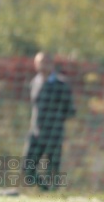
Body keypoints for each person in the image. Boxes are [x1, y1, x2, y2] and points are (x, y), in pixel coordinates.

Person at [23, 52, 75, 191]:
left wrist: (55, 119)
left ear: (52, 64)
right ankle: (44, 189)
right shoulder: (34, 82)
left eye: (46, 62)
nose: (42, 65)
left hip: (54, 133)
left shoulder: (61, 84)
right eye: (39, 62)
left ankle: (52, 195)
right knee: (27, 167)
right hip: (35, 132)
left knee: (52, 170)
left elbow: (70, 110)